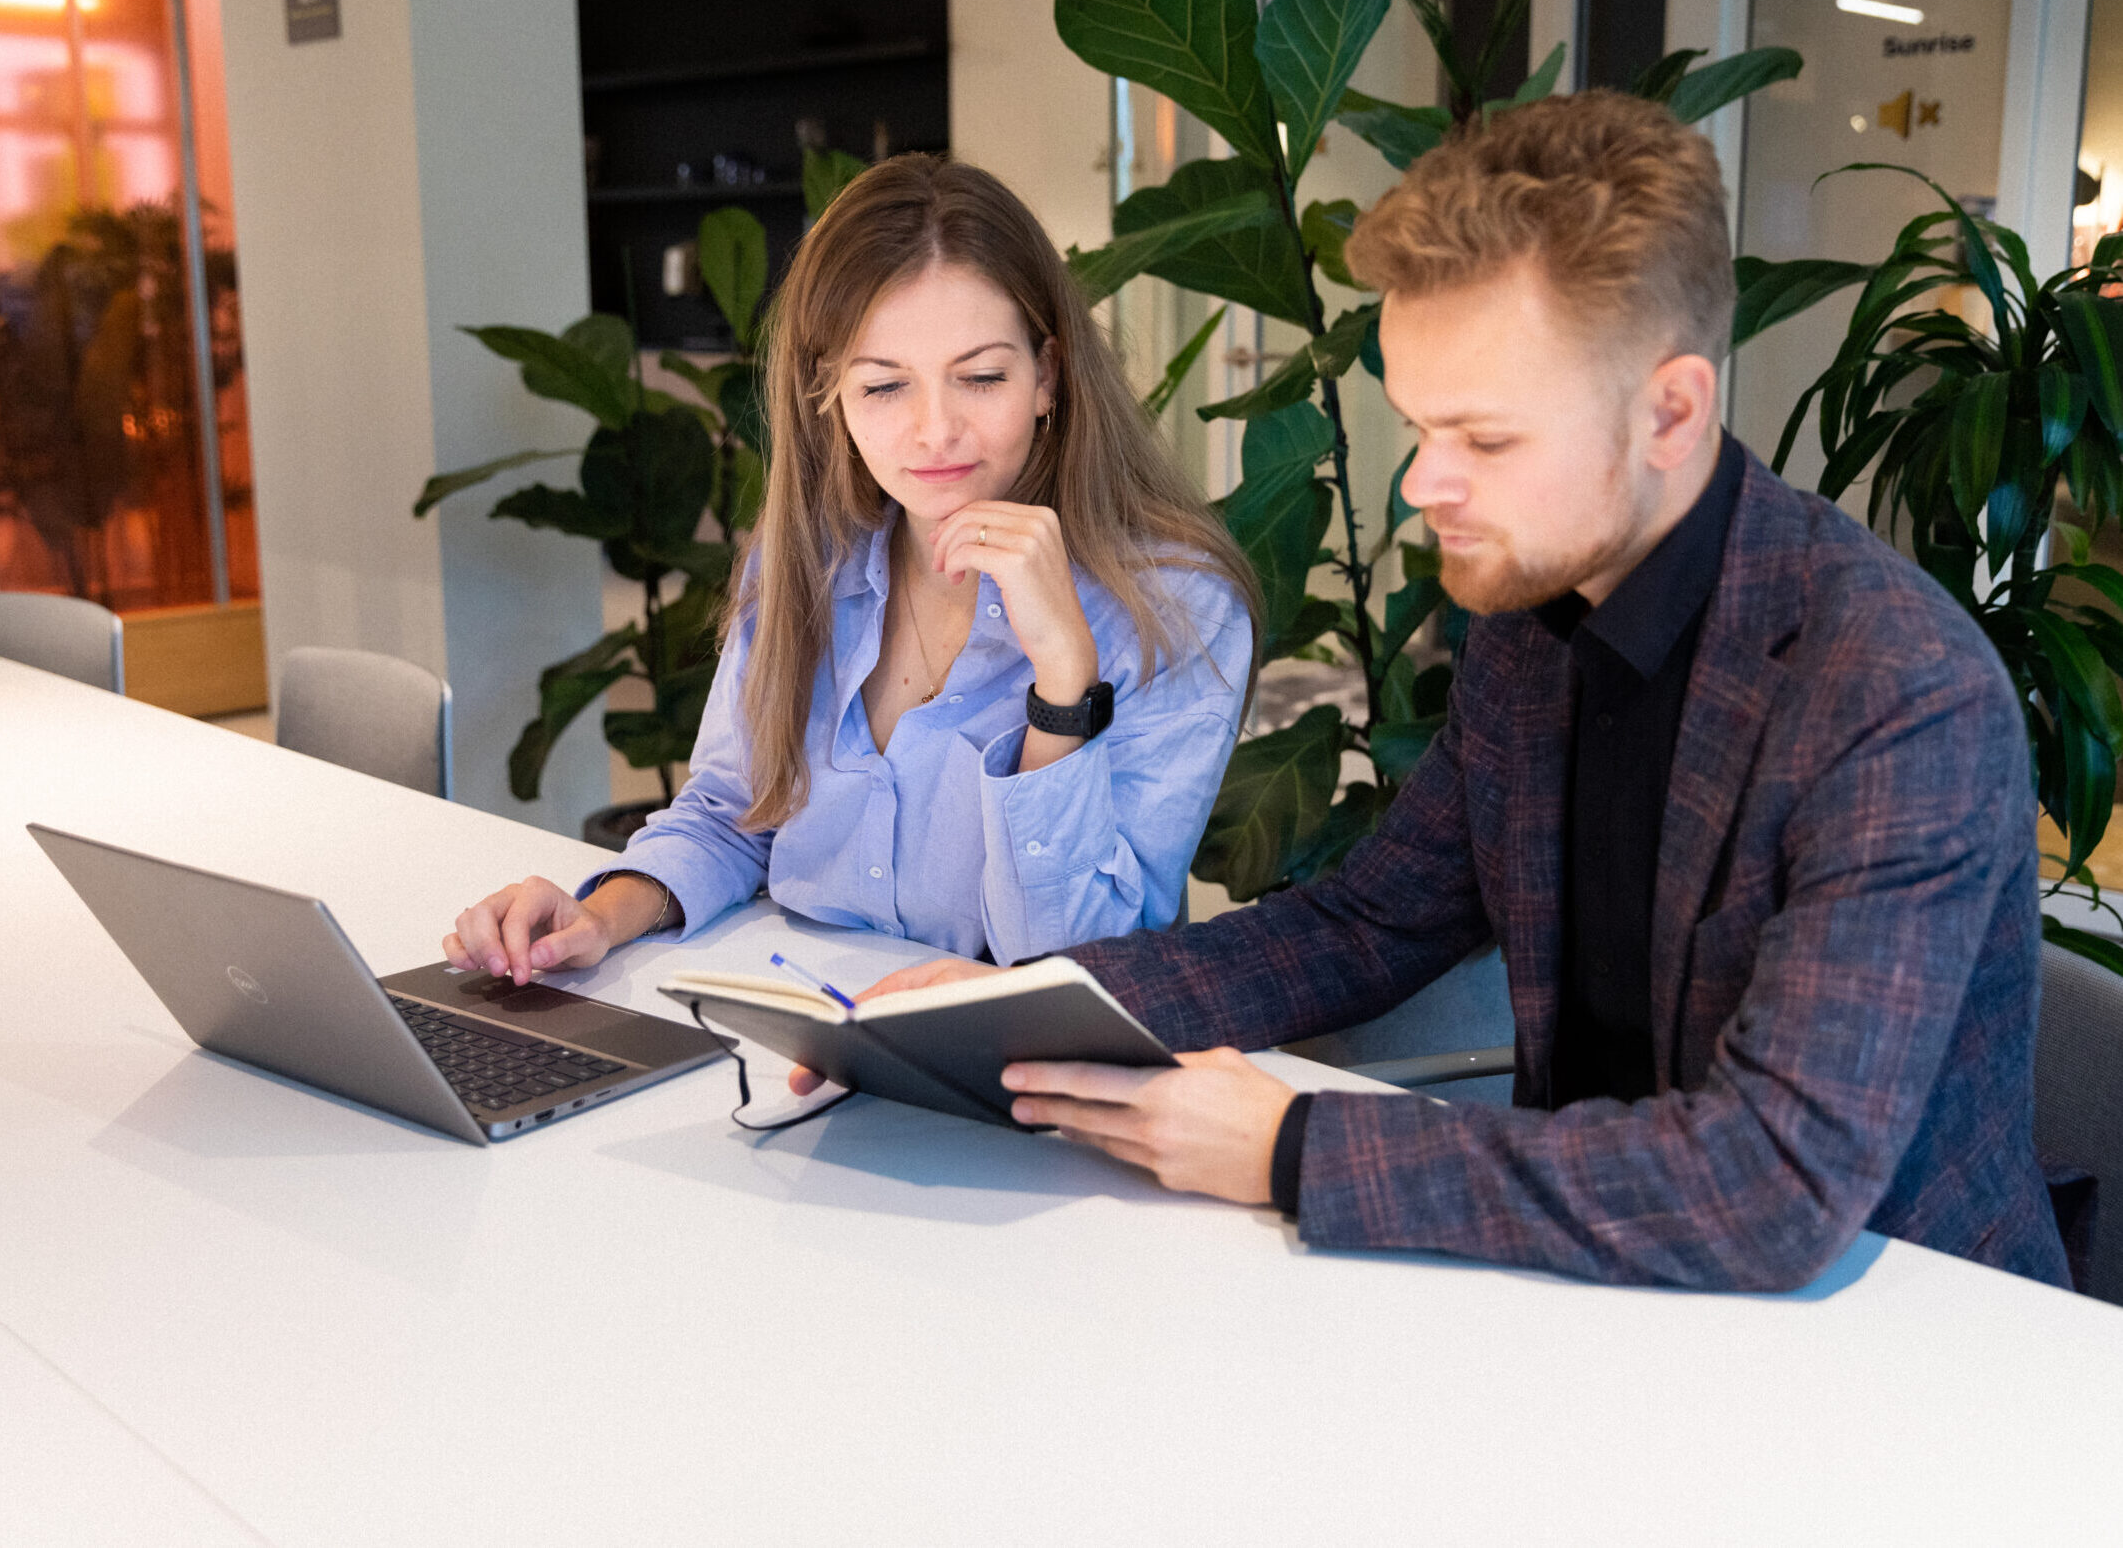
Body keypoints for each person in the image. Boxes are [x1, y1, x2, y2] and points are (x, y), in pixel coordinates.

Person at [853, 93, 2072, 1294]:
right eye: (1416, 427)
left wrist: (1290, 1147)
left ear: (1670, 412)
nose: (1425, 486)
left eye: (1483, 442)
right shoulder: (1531, 618)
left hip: (1902, 1347)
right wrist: (1030, 1007)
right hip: (1584, 1285)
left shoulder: (1896, 693)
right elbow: (1371, 923)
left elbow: (1772, 1183)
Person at [444, 156, 1256, 987]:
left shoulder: (1178, 608)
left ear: (1047, 374)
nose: (934, 431)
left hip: (1014, 1080)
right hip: (792, 1020)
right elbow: (733, 814)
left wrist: (1063, 686)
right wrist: (599, 914)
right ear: (827, 391)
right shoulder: (809, 554)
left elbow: (1084, 968)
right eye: (883, 387)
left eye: (980, 377)